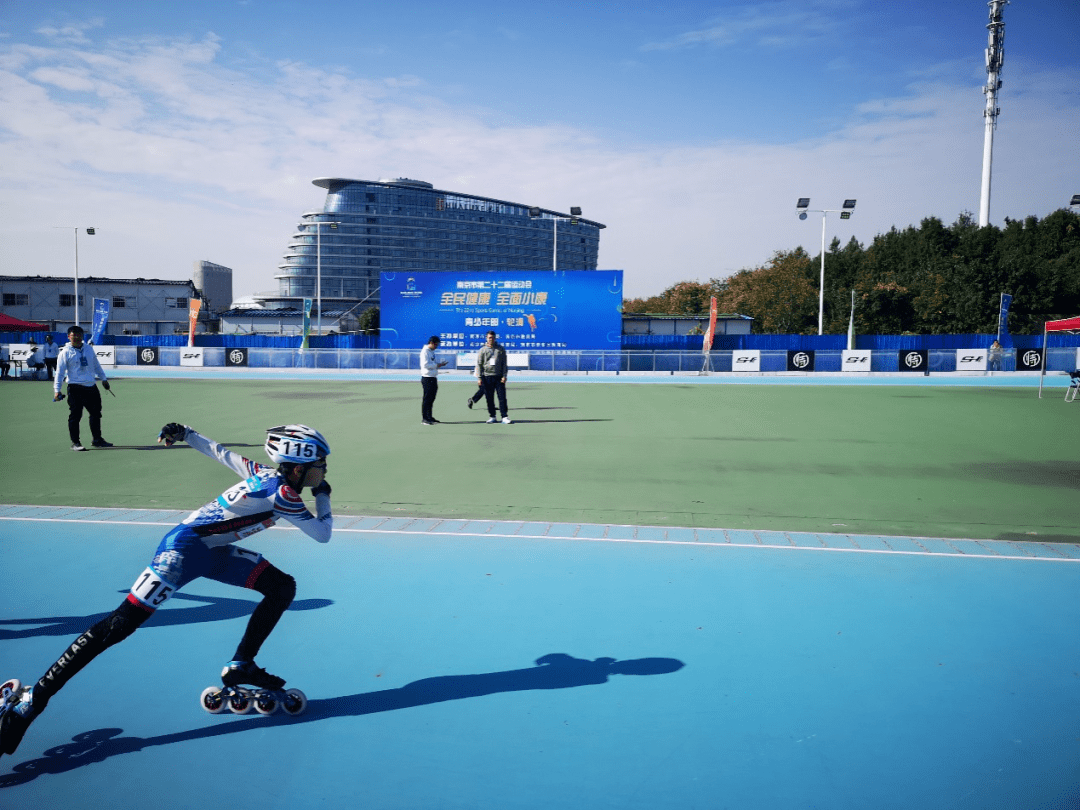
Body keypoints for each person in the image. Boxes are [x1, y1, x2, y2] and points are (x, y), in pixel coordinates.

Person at [0, 423, 334, 760]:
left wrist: (186, 433)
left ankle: (241, 664)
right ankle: (32, 701)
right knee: (120, 625)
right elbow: (322, 534)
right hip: (182, 553)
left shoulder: (264, 473)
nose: (323, 470)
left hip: (215, 552)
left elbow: (222, 454)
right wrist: (323, 496)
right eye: (320, 464)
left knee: (281, 587)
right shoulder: (285, 496)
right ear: (298, 465)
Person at [53, 325, 112, 451]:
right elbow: (59, 373)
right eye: (74, 336)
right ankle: (75, 443)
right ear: (69, 337)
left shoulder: (89, 349)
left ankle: (97, 439)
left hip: (91, 387)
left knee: (96, 414)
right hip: (75, 388)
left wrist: (104, 379)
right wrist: (57, 390)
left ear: (82, 336)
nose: (77, 338)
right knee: (76, 416)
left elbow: (96, 365)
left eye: (79, 335)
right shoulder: (65, 352)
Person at [468, 330, 512, 424]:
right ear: (486, 338)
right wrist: (479, 378)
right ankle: (492, 416)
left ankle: (504, 416)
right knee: (489, 398)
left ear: (495, 338)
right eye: (489, 337)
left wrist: (504, 375)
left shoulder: (500, 349)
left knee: (502, 397)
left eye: (492, 337)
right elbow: (479, 364)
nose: (491, 339)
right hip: (487, 377)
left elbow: (504, 363)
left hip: (499, 377)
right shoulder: (482, 350)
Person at [420, 335, 448, 426]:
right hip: (427, 378)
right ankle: (425, 418)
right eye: (436, 345)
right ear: (431, 343)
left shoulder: (431, 351)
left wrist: (438, 364)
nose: (436, 347)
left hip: (433, 377)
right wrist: (437, 365)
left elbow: (431, 363)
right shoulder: (425, 351)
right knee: (427, 399)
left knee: (432, 398)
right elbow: (425, 365)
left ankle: (430, 416)